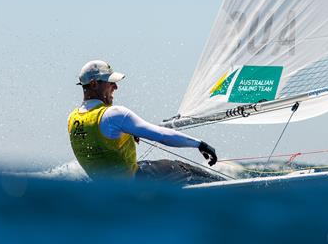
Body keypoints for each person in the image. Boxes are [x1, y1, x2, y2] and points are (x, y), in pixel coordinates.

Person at [67, 60, 220, 183]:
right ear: (94, 84)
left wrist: (127, 132)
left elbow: (101, 142)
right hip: (135, 181)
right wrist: (200, 144)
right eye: (110, 82)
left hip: (109, 190)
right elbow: (162, 135)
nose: (115, 86)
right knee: (183, 169)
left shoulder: (73, 119)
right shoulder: (113, 114)